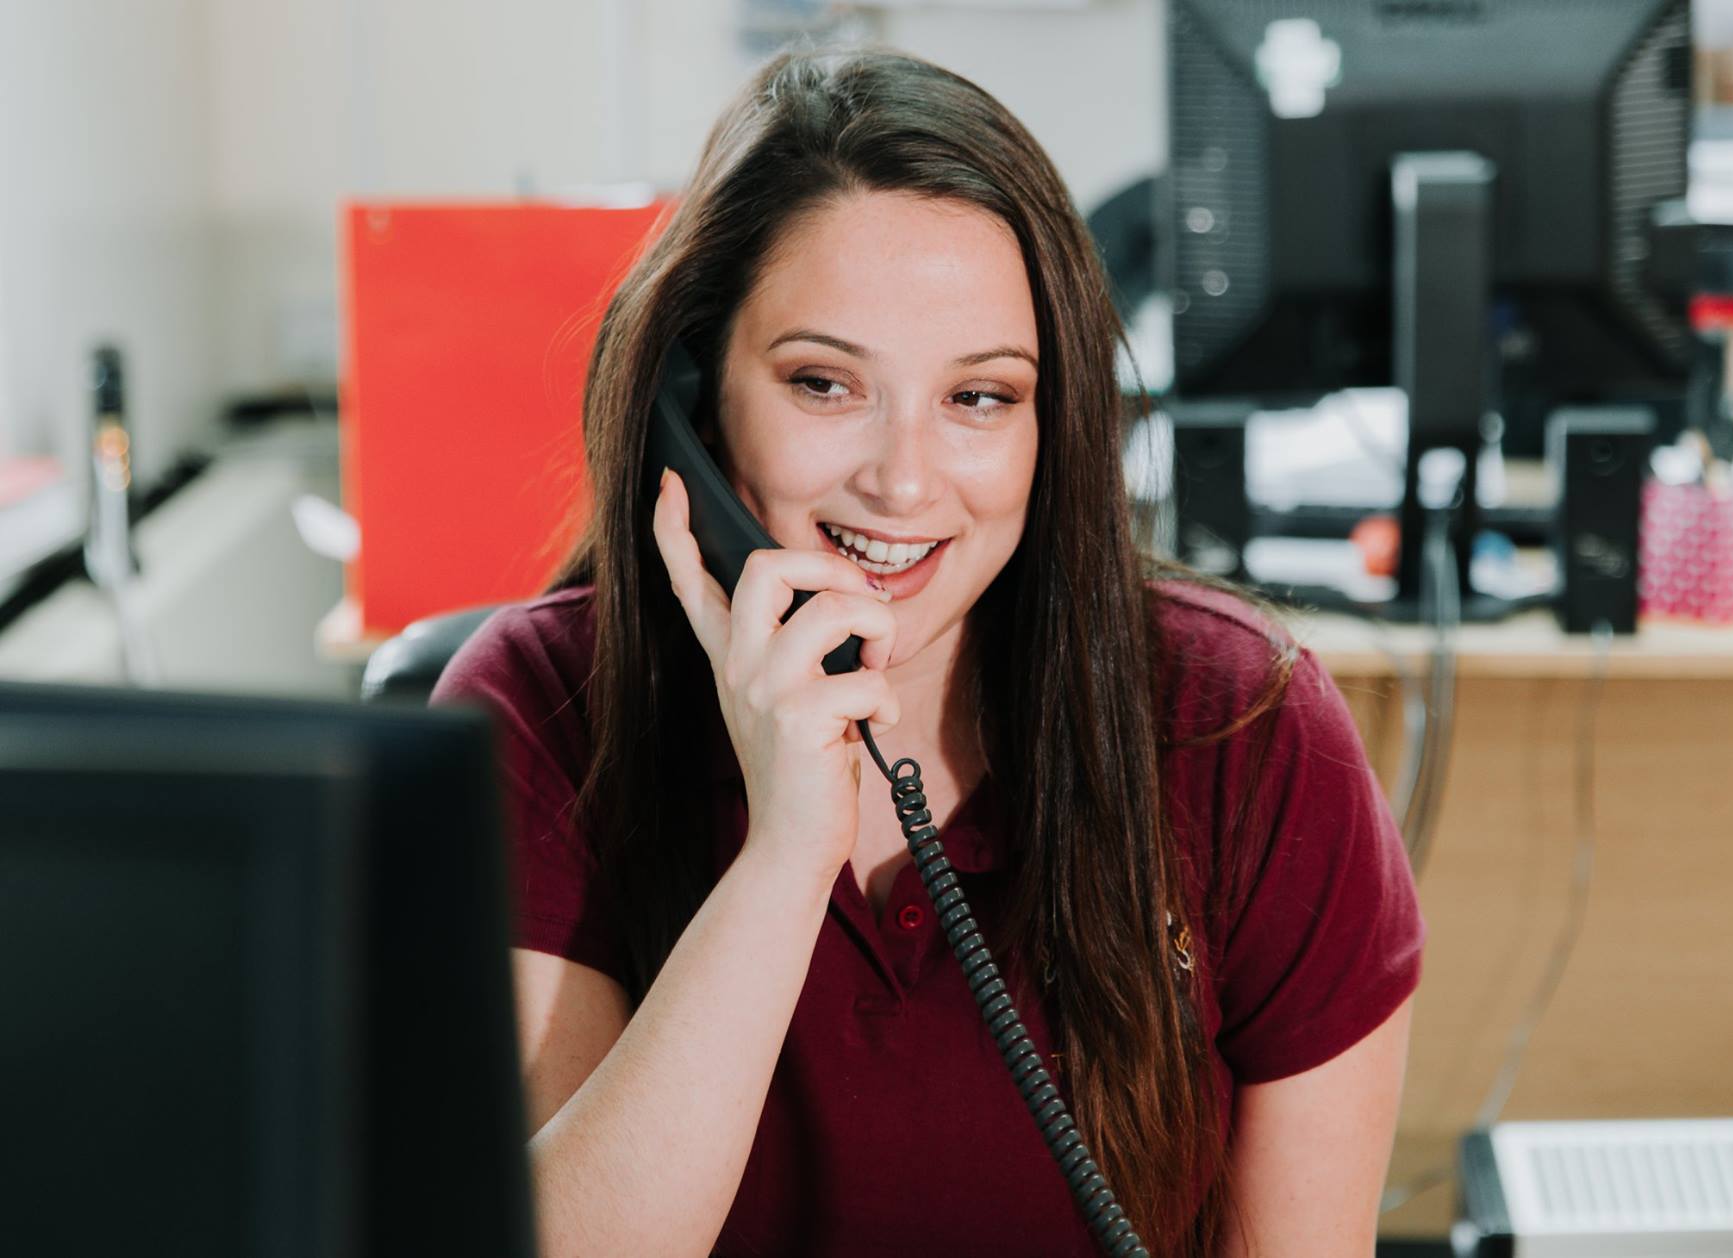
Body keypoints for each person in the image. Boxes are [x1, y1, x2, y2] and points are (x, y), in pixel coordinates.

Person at [431, 46, 1423, 1258]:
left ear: (1053, 423)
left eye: (979, 399)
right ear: (694, 399)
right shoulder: (540, 710)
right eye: (823, 383)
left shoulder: (1238, 727)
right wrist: (788, 850)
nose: (902, 481)